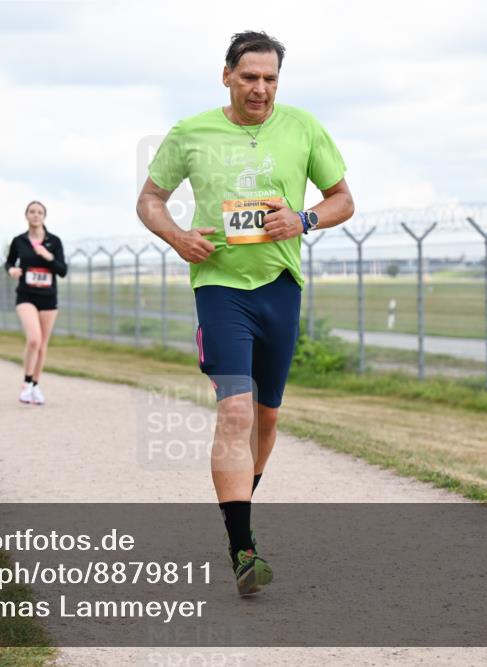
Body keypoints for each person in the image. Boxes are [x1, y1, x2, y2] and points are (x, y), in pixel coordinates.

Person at [136, 31, 354, 595]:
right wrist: (178, 237)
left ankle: (238, 512)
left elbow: (343, 200)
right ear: (227, 76)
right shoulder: (191, 132)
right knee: (235, 412)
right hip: (220, 288)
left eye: (270, 78)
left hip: (279, 287)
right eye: (250, 76)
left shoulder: (303, 128)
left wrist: (303, 220)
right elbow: (150, 200)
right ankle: (243, 550)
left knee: (267, 417)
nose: (260, 88)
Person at [4, 200, 67, 405]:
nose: (36, 215)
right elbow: (9, 262)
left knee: (42, 345)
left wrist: (48, 256)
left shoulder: (54, 241)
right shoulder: (19, 241)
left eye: (39, 212)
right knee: (34, 339)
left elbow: (62, 270)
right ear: (26, 215)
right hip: (26, 295)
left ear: (44, 216)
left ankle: (35, 385)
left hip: (48, 298)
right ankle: (26, 382)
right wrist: (11, 270)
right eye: (32, 211)